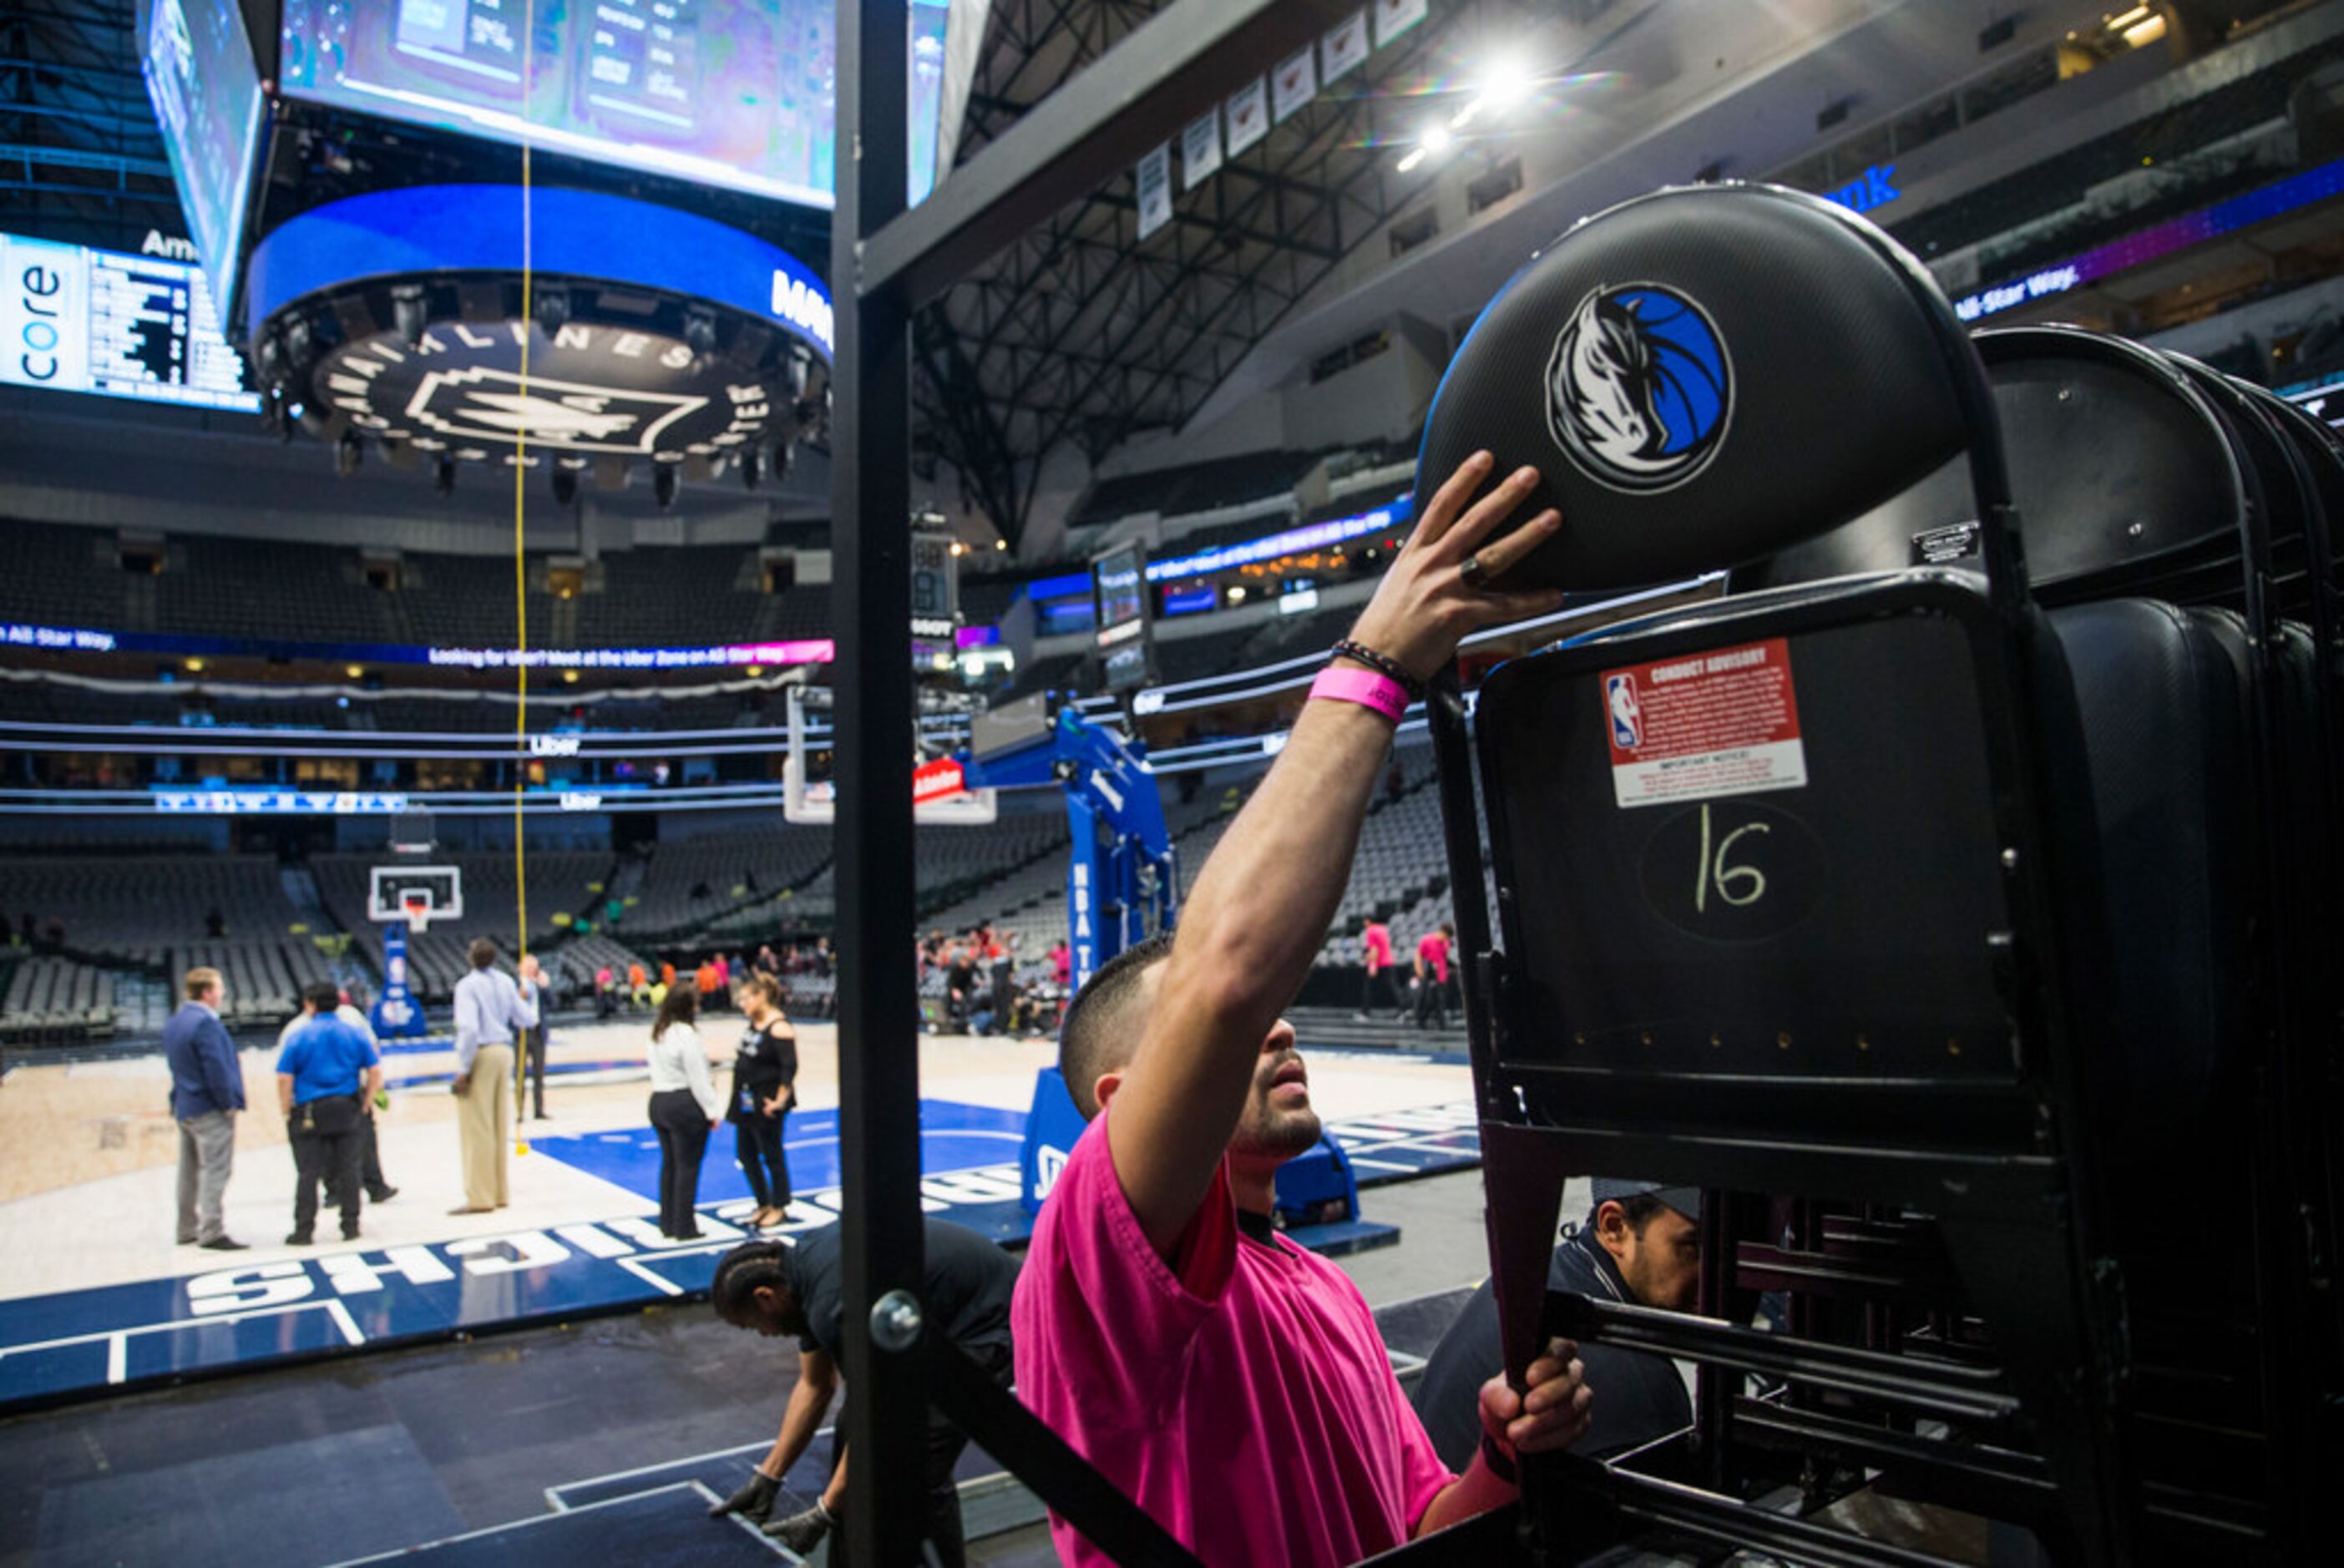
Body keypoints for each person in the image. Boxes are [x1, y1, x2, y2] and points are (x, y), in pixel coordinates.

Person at [1013, 451, 1589, 1565]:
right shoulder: (1088, 1264)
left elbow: (1412, 1529)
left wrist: (1503, 1456)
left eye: (1274, 1022)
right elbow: (1225, 979)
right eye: (1225, 1034)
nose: (1277, 1025)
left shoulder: (1318, 1284)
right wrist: (1376, 658)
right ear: (1123, 1103)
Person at [706, 1221, 1020, 1565]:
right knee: (851, 1433)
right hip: (944, 1321)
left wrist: (823, 1513)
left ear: (765, 1297)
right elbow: (815, 1386)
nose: (763, 1334)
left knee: (913, 1465)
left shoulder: (831, 1303)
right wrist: (768, 1477)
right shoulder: (801, 1275)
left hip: (998, 1321)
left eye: (754, 1325)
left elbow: (878, 1418)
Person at [1416, 1181, 1701, 1469]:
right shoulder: (1641, 1390)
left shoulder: (1545, 1275)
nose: (1719, 1270)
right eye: (1694, 1246)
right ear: (1615, 1227)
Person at [275, 981, 384, 1246]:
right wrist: (366, 1101)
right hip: (347, 1106)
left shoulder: (299, 1034)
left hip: (311, 1110)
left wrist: (286, 1108)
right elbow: (375, 1070)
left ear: (309, 1004)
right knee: (350, 1168)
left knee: (308, 1173)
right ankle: (350, 1226)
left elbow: (283, 1076)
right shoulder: (353, 1032)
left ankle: (303, 1229)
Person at [449, 939, 540, 1215]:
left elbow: (468, 1029)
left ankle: (480, 1197)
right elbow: (528, 1019)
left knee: (478, 1128)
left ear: (471, 958)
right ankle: (500, 1192)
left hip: (483, 1052)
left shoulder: (467, 986)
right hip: (504, 1051)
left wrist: (464, 1069)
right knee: (500, 1123)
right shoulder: (505, 981)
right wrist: (531, 992)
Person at [165, 965, 246, 1251]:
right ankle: (212, 1230)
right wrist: (228, 1103)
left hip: (185, 1105)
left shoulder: (176, 1022)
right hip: (209, 1107)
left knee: (188, 1171)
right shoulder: (206, 1024)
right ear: (208, 992)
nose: (223, 993)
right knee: (215, 1170)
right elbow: (216, 1067)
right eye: (220, 987)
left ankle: (186, 1227)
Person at [645, 984, 720, 1239]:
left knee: (670, 1165)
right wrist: (711, 1110)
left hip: (658, 1101)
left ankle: (667, 1223)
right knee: (687, 1166)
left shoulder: (658, 1032)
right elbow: (698, 1076)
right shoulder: (686, 1034)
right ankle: (684, 1227)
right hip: (683, 1103)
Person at [731, 973, 798, 1230]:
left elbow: (789, 1068)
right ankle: (763, 1202)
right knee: (745, 1154)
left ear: (761, 996)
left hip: (767, 1102)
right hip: (746, 1100)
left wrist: (780, 1101)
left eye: (746, 998)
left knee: (771, 1154)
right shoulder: (754, 1023)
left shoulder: (779, 1026)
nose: (742, 1004)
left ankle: (780, 1205)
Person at [1413, 921, 1455, 1029]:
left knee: (1440, 999)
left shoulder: (1446, 942)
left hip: (1441, 975)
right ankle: (1422, 1020)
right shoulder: (1427, 940)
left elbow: (1444, 958)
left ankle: (1441, 1023)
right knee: (1426, 998)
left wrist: (1447, 969)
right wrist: (1419, 971)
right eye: (1445, 936)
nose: (1445, 939)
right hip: (1428, 974)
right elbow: (1418, 956)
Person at [1354, 916, 1398, 1019]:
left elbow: (1374, 950)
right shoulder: (1383, 929)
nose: (1364, 924)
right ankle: (1404, 1008)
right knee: (1393, 987)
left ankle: (1365, 1013)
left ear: (1369, 921)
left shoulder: (1371, 931)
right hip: (1389, 962)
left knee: (1368, 988)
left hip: (1379, 963)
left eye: (1365, 921)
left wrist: (1371, 965)